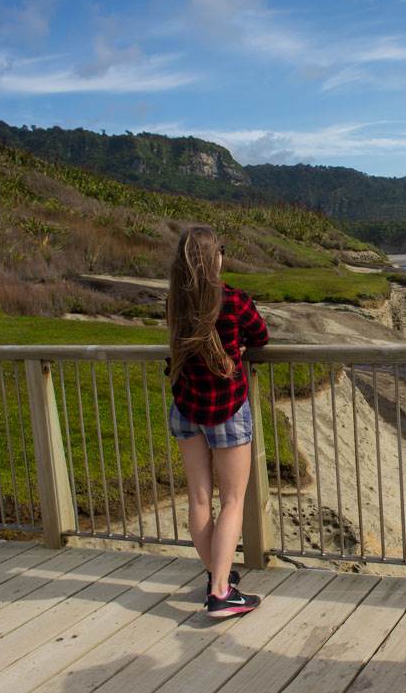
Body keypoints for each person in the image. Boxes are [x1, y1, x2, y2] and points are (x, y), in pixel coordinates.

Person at [166, 226, 269, 618]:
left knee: (198, 500)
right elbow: (261, 337)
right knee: (232, 501)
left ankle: (216, 576)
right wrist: (238, 346)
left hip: (186, 407)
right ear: (215, 259)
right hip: (226, 409)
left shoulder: (175, 303)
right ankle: (222, 593)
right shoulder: (235, 301)